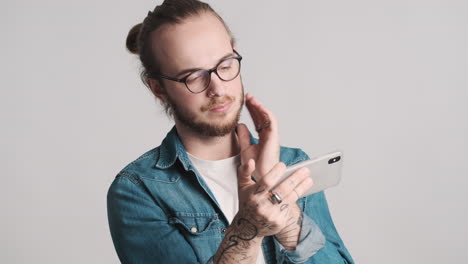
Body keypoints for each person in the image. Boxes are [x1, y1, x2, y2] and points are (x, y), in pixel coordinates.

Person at [107, 0, 354, 263]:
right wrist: (247, 229)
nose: (218, 89)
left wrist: (287, 215)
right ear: (158, 89)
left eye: (225, 65)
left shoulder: (292, 165)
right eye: (193, 76)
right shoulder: (138, 190)